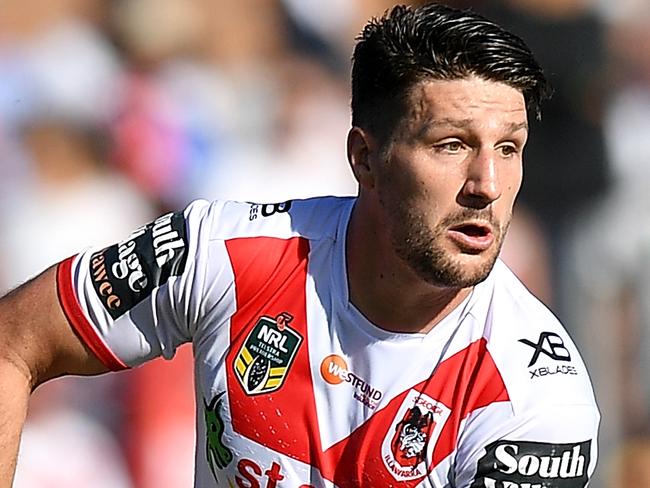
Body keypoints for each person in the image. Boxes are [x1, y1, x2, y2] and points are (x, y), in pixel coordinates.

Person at [0, 3, 599, 487]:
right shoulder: (225, 251)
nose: (487, 186)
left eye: (508, 148)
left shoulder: (537, 399)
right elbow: (14, 343)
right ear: (365, 157)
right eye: (450, 145)